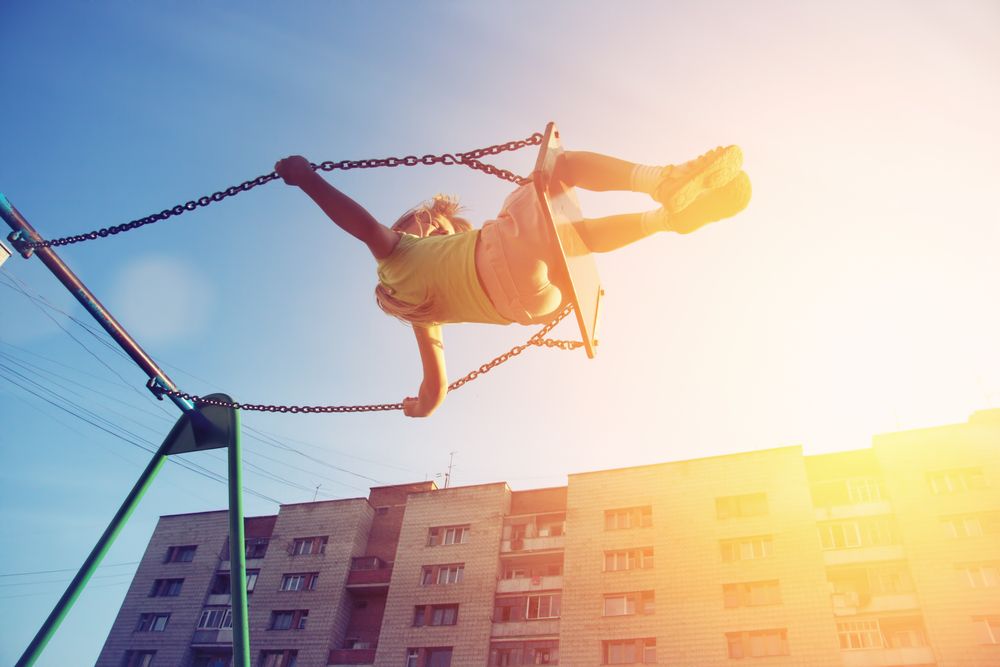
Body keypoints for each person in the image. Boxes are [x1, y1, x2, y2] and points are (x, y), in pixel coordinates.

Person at [275, 146, 751, 417]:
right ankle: (662, 181)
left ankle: (664, 220)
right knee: (560, 169)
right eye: (417, 224)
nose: (420, 226)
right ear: (407, 233)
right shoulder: (395, 255)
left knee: (574, 241)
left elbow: (434, 390)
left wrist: (416, 408)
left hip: (532, 306)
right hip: (506, 262)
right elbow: (358, 222)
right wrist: (309, 180)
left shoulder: (426, 320)